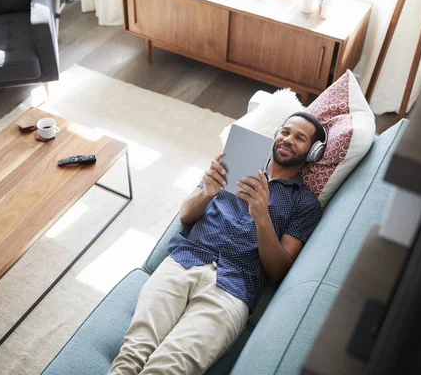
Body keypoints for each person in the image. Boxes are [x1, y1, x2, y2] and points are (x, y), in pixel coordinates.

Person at [109, 112, 325, 375]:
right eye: (285, 131)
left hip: (234, 287)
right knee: (132, 353)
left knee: (168, 368)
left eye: (300, 138)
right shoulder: (237, 162)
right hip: (184, 261)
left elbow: (279, 271)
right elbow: (186, 214)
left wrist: (262, 219)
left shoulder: (305, 204)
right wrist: (207, 192)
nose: (288, 139)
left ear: (313, 152)